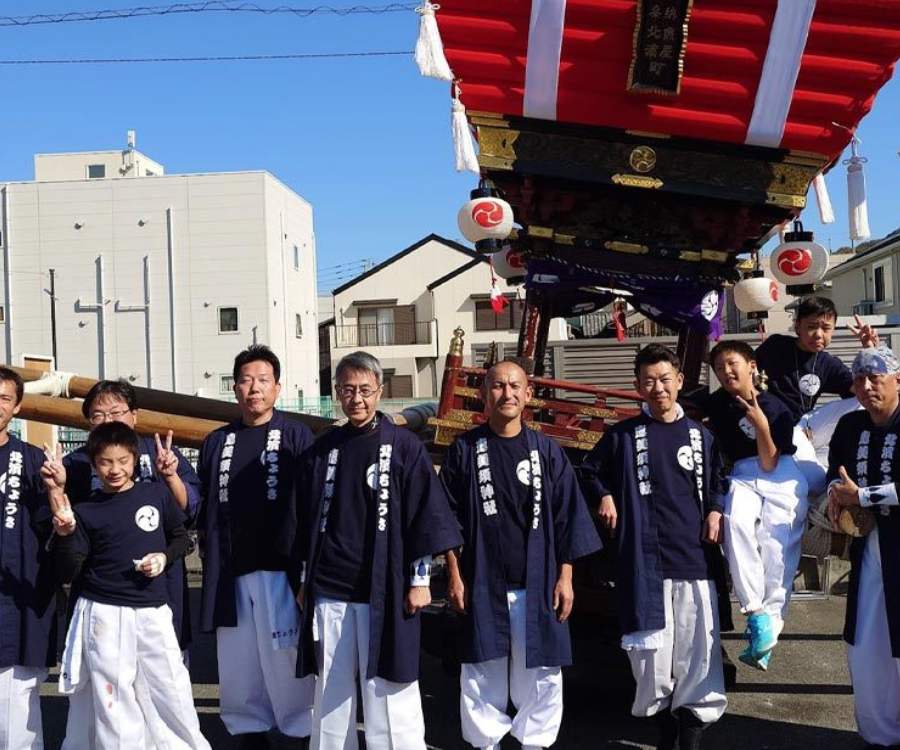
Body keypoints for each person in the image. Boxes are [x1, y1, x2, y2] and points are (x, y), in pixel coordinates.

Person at [293, 350, 462, 750]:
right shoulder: (322, 450)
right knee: (331, 688)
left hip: (385, 586)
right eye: (348, 390)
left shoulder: (404, 447)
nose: (357, 399)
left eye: (365, 390)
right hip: (331, 585)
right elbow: (300, 524)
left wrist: (420, 580)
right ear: (336, 392)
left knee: (390, 685)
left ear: (380, 392)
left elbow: (426, 517)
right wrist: (303, 580)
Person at [439, 360, 602, 750]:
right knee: (481, 670)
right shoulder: (465, 449)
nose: (507, 394)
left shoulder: (547, 451)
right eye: (497, 386)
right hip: (481, 581)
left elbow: (568, 519)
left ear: (528, 394)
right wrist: (454, 574)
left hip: (540, 581)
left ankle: (535, 744)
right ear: (484, 394)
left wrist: (566, 578)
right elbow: (446, 516)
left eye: (515, 386)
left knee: (542, 674)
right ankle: (486, 744)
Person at [581, 344, 730, 750]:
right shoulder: (622, 436)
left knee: (698, 653)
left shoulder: (701, 436)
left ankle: (692, 733)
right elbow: (591, 472)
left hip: (694, 561)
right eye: (649, 381)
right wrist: (605, 495)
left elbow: (719, 480)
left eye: (665, 379)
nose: (658, 388)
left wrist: (716, 510)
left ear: (680, 381)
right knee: (652, 659)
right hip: (645, 564)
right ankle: (664, 733)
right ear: (637, 386)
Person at [40, 378, 202, 750]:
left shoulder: (159, 455)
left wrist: (171, 475)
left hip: (157, 589)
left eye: (116, 412)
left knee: (169, 686)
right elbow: (67, 537)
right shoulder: (77, 464)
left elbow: (187, 515)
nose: (114, 468)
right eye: (97, 414)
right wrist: (56, 489)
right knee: (112, 695)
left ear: (134, 415)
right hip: (103, 596)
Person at [197, 344, 315, 749]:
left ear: (278, 388)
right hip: (231, 567)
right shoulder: (217, 442)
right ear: (234, 388)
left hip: (279, 566)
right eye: (245, 380)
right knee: (238, 661)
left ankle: (300, 730)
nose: (254, 389)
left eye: (263, 381)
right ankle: (248, 732)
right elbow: (204, 502)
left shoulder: (297, 435)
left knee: (284, 654)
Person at [705, 341, 808, 670]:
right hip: (742, 473)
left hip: (780, 472)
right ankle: (755, 613)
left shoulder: (777, 407)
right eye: (719, 367)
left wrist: (761, 425)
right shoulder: (717, 403)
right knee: (735, 524)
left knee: (777, 548)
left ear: (752, 365)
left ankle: (767, 632)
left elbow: (770, 461)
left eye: (732, 363)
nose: (726, 372)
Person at [827, 346, 900, 747]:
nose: (868, 386)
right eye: (859, 379)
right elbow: (833, 473)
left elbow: (859, 492)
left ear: (897, 380)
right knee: (868, 645)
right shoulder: (849, 425)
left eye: (877, 378)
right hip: (868, 549)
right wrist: (837, 497)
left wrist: (864, 496)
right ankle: (879, 734)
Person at [754, 297, 877, 492]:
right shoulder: (776, 346)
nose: (818, 334)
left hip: (808, 425)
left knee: (863, 397)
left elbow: (865, 389)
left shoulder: (828, 363)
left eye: (826, 328)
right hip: (777, 425)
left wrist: (870, 350)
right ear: (797, 327)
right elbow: (746, 371)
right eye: (811, 326)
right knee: (818, 483)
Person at [0, 367, 56, 750]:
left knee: (15, 710)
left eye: (4, 399)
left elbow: (52, 530)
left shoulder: (32, 461)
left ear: (17, 407)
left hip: (12, 600)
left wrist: (57, 493)